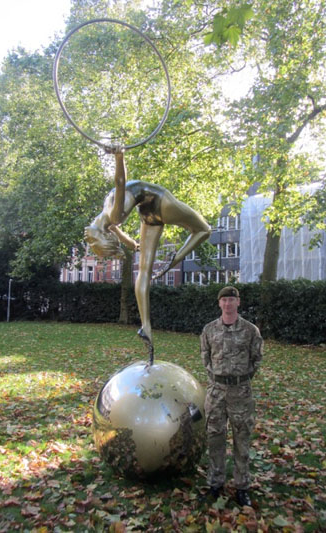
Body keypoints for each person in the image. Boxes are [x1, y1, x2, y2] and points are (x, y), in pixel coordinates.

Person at [85, 148, 211, 363]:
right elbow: (121, 226)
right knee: (203, 230)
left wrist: (119, 157)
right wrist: (118, 156)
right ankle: (175, 260)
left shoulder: (111, 216)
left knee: (144, 271)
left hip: (150, 211)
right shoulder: (108, 216)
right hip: (157, 203)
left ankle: (147, 324)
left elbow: (120, 182)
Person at [200, 286, 263, 507]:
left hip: (241, 392)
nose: (228, 304)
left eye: (231, 300)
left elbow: (256, 358)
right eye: (224, 300)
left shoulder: (250, 330)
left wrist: (241, 379)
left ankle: (242, 487)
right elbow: (205, 356)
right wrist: (217, 377)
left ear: (238, 302)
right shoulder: (209, 330)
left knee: (241, 439)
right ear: (219, 303)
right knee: (215, 438)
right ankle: (215, 484)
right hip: (216, 392)